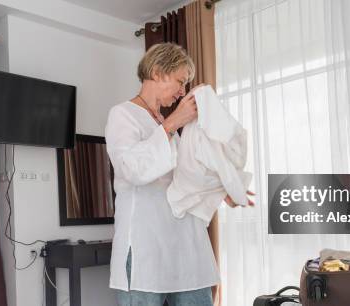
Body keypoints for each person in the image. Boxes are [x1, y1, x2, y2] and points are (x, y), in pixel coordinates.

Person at [105, 43, 254, 306]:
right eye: (180, 81)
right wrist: (174, 122)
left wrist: (222, 189)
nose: (182, 91)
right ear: (159, 71)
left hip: (185, 248)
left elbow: (182, 181)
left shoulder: (163, 125)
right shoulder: (123, 115)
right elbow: (133, 169)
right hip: (145, 250)